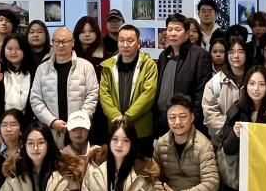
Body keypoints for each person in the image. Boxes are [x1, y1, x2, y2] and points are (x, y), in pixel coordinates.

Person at [202, 36, 247, 191]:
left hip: (250, 144)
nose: (236, 56)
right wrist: (231, 134)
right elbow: (210, 115)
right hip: (224, 143)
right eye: (232, 52)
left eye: (240, 51)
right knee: (227, 185)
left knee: (247, 186)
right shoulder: (215, 83)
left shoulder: (253, 77)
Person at [29, 27, 99, 149]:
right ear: (52, 43)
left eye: (65, 41)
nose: (61, 45)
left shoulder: (86, 67)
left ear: (73, 43)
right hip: (52, 130)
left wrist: (78, 121)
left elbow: (92, 95)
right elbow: (35, 99)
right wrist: (51, 121)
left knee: (78, 160)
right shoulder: (42, 69)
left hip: (79, 129)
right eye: (57, 41)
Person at [99, 24, 160, 155]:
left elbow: (148, 94)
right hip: (116, 128)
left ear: (138, 43)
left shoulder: (149, 65)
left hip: (140, 130)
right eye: (121, 40)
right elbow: (104, 94)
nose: (125, 45)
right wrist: (115, 116)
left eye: (130, 41)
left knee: (141, 165)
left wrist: (127, 118)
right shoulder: (108, 66)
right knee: (117, 164)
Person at [154, 13, 211, 136]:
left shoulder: (200, 56)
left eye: (177, 29)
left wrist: (192, 120)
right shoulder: (163, 56)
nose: (173, 33)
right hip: (163, 122)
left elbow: (201, 94)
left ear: (187, 34)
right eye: (170, 29)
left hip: (186, 124)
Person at [0, 31, 37, 148]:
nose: (13, 52)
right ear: (3, 50)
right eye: (9, 49)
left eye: (18, 48)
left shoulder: (34, 70)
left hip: (26, 127)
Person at [72, 17, 110, 144]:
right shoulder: (70, 55)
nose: (87, 35)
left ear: (97, 33)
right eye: (82, 31)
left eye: (91, 31)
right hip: (74, 104)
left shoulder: (105, 56)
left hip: (99, 109)